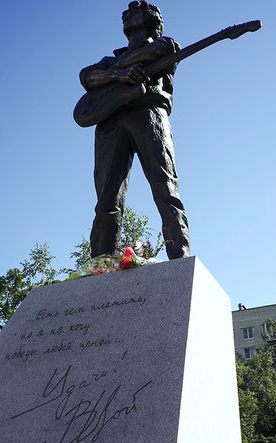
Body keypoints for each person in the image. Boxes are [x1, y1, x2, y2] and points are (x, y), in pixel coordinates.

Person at [79, 1, 190, 260]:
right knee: (106, 200)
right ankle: (101, 261)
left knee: (165, 188)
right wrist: (119, 75)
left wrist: (111, 71)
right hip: (111, 121)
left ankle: (179, 255)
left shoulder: (165, 44)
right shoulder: (111, 61)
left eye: (137, 9)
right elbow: (86, 76)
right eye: (127, 13)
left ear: (151, 19)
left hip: (149, 114)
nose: (129, 9)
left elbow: (157, 51)